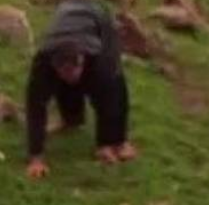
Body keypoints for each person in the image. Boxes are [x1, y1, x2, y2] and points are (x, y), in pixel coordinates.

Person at [24, 0, 137, 179]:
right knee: (65, 84)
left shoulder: (97, 58)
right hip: (65, 20)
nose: (72, 75)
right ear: (54, 65)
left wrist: (108, 142)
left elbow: (115, 95)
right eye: (64, 71)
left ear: (82, 59)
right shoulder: (43, 63)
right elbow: (35, 107)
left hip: (97, 18)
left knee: (111, 82)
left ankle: (116, 142)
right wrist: (36, 158)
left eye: (75, 69)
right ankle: (72, 119)